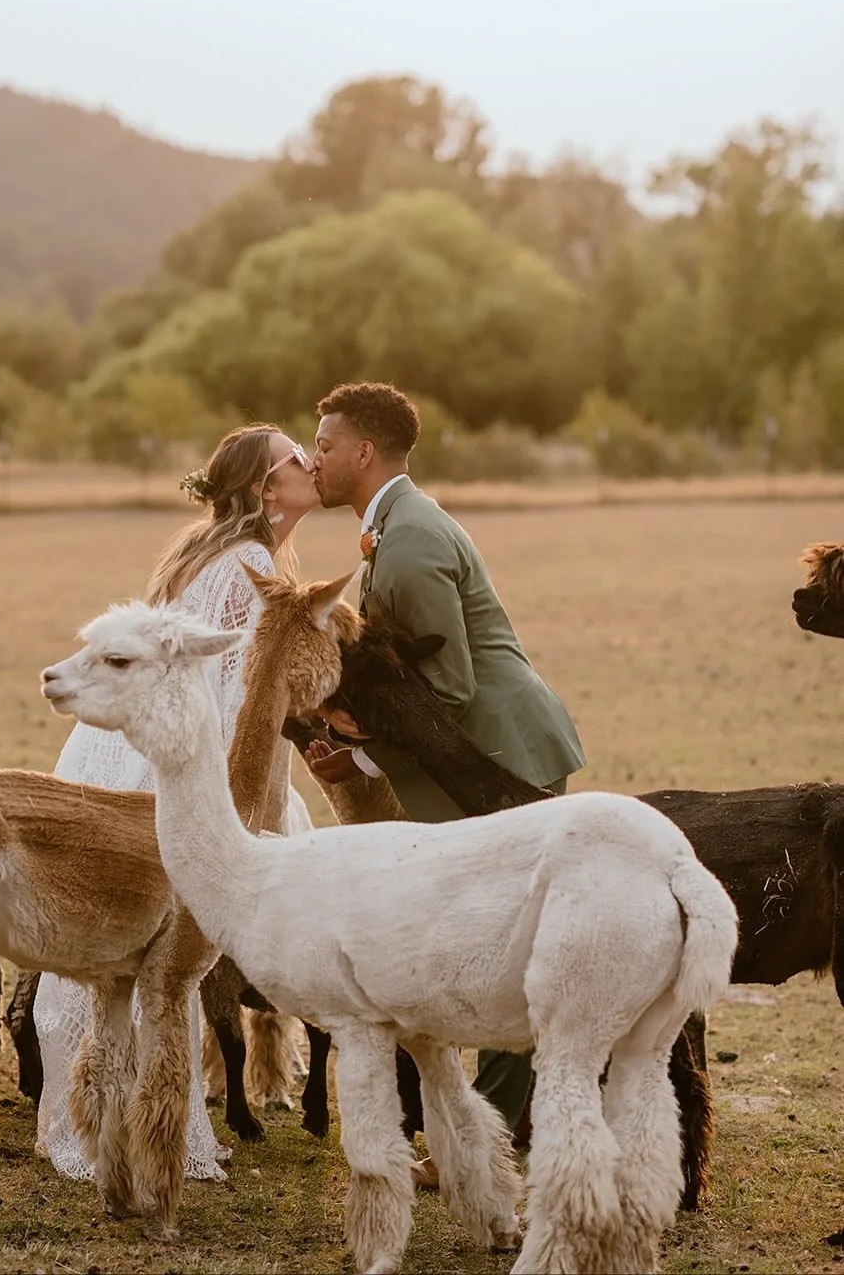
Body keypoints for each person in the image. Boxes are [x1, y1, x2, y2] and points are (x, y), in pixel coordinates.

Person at [308, 382, 585, 1169]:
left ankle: (486, 1144)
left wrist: (357, 731)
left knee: (507, 951)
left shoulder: (411, 541)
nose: (314, 457)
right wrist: (358, 752)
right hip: (477, 755)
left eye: (324, 444)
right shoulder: (394, 527)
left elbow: (449, 690)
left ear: (364, 453)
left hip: (498, 760)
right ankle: (489, 1133)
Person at [34, 424, 321, 1183]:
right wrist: (239, 807)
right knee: (170, 959)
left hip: (112, 757)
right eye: (297, 457)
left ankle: (93, 1118)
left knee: (113, 953)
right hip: (165, 767)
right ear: (267, 488)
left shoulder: (200, 550)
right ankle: (156, 1130)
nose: (310, 463)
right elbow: (237, 695)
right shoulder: (252, 562)